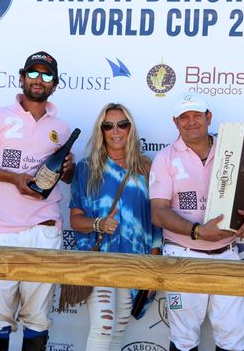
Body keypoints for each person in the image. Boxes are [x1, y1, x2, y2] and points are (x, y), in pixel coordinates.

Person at [0, 51, 74, 351]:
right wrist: (13, 178)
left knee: (37, 320)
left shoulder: (60, 127)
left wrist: (69, 170)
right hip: (1, 230)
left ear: (55, 84)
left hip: (45, 229)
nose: (39, 80)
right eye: (33, 73)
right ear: (21, 77)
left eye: (47, 75)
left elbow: (66, 179)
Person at [150, 93, 244, 351]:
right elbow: (158, 212)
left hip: (228, 255)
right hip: (182, 256)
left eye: (197, 116)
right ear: (175, 122)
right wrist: (198, 231)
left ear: (208, 117)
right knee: (184, 339)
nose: (191, 122)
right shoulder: (165, 158)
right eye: (184, 117)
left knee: (233, 340)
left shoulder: (231, 150)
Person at [69, 103, 162, 351]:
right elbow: (75, 220)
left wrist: (154, 260)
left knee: (120, 325)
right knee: (104, 326)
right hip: (99, 260)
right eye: (108, 126)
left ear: (131, 128)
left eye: (122, 124)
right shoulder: (86, 168)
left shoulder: (146, 167)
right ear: (101, 130)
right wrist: (99, 223)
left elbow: (157, 218)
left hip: (135, 260)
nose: (116, 131)